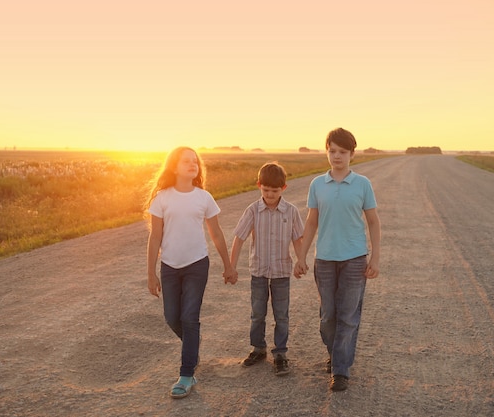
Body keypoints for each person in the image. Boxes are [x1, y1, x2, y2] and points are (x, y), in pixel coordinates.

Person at [146, 146, 237, 399]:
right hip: (170, 267)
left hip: (197, 264)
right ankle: (192, 344)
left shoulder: (204, 197)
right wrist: (151, 273)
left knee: (189, 317)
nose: (192, 164)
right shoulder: (162, 198)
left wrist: (228, 266)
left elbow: (216, 234)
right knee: (171, 317)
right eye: (186, 161)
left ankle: (186, 374)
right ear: (174, 167)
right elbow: (155, 238)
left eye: (195, 161)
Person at [293, 128, 381, 392]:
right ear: (327, 151)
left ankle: (340, 369)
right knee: (328, 315)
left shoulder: (363, 184)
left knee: (348, 314)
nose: (337, 156)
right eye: (332, 151)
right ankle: (335, 353)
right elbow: (311, 222)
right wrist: (301, 256)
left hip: (355, 258)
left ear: (352, 154)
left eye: (342, 152)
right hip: (325, 260)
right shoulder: (317, 184)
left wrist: (375, 258)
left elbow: (374, 222)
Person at [230, 162, 304, 376]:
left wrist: (301, 260)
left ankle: (280, 353)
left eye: (275, 190)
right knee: (257, 313)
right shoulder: (253, 210)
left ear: (284, 188)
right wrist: (231, 266)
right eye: (266, 190)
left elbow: (298, 239)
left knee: (282, 315)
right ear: (258, 186)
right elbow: (239, 238)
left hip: (281, 271)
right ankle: (258, 348)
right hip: (259, 271)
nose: (270, 195)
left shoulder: (290, 211)